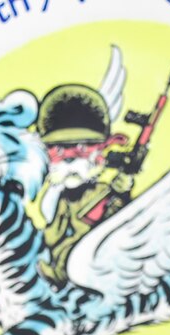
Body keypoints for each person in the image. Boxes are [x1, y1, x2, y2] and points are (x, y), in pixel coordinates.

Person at [36, 83, 133, 288]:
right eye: (60, 152)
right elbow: (54, 232)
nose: (70, 161)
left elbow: (121, 220)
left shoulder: (104, 191)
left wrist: (123, 194)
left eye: (81, 149)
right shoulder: (64, 197)